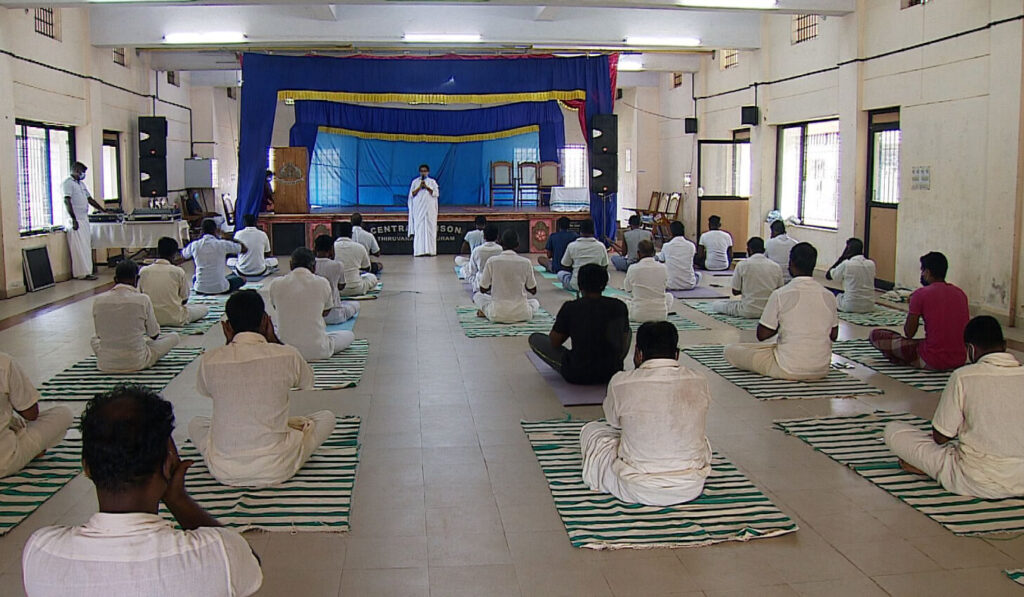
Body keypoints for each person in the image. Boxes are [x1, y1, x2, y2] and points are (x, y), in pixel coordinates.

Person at [22, 386, 263, 596]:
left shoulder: (41, 549)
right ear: (168, 465)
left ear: (87, 466)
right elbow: (250, 566)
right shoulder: (219, 553)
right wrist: (178, 500)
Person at [189, 291, 336, 489]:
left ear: (227, 326)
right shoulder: (287, 354)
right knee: (327, 417)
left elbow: (207, 391)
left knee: (196, 423)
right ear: (266, 320)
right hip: (277, 466)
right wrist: (274, 341)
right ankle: (288, 427)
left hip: (224, 469)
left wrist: (227, 348)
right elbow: (306, 382)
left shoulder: (210, 359)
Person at [884, 316, 1024, 499]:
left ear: (971, 349)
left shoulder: (963, 377)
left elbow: (941, 437)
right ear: (1004, 345)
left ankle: (928, 467)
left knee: (894, 431)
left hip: (976, 480)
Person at [580, 322, 711, 506]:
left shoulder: (621, 382)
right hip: (691, 486)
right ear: (677, 354)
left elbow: (613, 423)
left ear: (638, 354)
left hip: (637, 489)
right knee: (701, 439)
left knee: (591, 431)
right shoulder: (699, 379)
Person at [724, 242, 838, 381]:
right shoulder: (828, 295)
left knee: (731, 350)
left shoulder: (781, 294)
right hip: (821, 368)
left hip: (787, 367)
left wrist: (782, 322)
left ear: (791, 263)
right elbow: (833, 335)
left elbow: (762, 334)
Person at [529, 264, 631, 385]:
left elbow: (554, 342)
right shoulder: (619, 306)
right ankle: (613, 361)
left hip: (578, 373)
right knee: (627, 330)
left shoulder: (571, 307)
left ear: (580, 284)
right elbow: (623, 342)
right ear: (605, 283)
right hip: (612, 372)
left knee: (535, 339)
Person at [869, 252, 969, 371]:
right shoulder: (960, 294)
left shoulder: (920, 294)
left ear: (927, 272)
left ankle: (907, 359)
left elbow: (909, 332)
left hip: (932, 360)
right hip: (959, 359)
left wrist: (915, 307)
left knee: (876, 335)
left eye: (922, 271)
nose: (921, 275)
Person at [265, 248, 354, 361]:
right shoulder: (322, 282)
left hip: (286, 350)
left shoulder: (275, 284)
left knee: (277, 328)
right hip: (317, 351)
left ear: (291, 265)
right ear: (314, 266)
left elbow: (276, 307)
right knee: (349, 335)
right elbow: (326, 312)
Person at [91, 261, 180, 373]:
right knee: (174, 337)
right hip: (137, 361)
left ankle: (111, 356)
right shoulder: (143, 300)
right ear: (137, 279)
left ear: (115, 279)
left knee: (93, 338)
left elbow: (99, 335)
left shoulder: (98, 300)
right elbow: (154, 334)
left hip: (106, 364)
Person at [0, 353, 72, 479]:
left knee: (12, 421)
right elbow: (31, 414)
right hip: (5, 459)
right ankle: (31, 451)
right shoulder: (5, 363)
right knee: (63, 414)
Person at [139, 237, 210, 327]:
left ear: (158, 251)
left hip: (150, 319)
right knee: (204, 309)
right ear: (174, 254)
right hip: (176, 318)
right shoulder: (178, 271)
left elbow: (140, 296)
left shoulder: (144, 271)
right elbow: (185, 299)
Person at [473, 229, 540, 323]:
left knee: (477, 296)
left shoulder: (492, 261)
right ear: (518, 245)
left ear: (500, 243)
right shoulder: (526, 262)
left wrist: (497, 284)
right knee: (535, 302)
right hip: (522, 314)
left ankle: (485, 311)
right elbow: (533, 290)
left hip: (496, 314)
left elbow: (483, 289)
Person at [711, 237, 783, 319]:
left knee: (716, 305)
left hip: (747, 310)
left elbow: (735, 291)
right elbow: (779, 290)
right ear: (764, 250)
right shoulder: (776, 266)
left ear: (749, 250)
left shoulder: (742, 265)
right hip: (769, 311)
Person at [63, 161, 107, 281]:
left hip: (84, 219)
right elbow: (67, 201)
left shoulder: (81, 184)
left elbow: (89, 199)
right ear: (76, 170)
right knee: (79, 248)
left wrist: (102, 210)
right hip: (75, 220)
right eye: (82, 172)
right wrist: (73, 219)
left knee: (85, 246)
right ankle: (81, 273)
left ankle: (88, 271)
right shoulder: (68, 184)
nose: (83, 174)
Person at [182, 219, 247, 295]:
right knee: (242, 279)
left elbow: (184, 255)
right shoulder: (222, 244)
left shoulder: (195, 245)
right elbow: (244, 249)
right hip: (221, 288)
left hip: (200, 288)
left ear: (201, 230)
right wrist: (228, 237)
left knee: (195, 277)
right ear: (216, 230)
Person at [623, 240, 675, 322]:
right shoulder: (663, 268)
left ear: (638, 253)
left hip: (638, 314)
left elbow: (627, 289)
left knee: (619, 298)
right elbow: (666, 285)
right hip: (661, 315)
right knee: (669, 296)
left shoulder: (633, 268)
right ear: (654, 253)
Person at [313, 235, 360, 325]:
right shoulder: (337, 265)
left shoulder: (310, 264)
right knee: (355, 305)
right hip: (335, 315)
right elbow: (341, 286)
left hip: (315, 316)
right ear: (331, 249)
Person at [826, 238, 876, 313]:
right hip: (869, 306)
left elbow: (828, 276)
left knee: (827, 291)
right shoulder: (871, 264)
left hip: (849, 306)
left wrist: (842, 257)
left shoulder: (846, 264)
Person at [559, 218, 610, 292]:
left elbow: (565, 265)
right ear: (594, 231)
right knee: (608, 275)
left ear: (580, 231)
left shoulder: (572, 245)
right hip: (596, 284)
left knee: (560, 274)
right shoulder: (601, 246)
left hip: (577, 284)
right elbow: (604, 266)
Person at [333, 222, 379, 297]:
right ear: (351, 234)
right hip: (357, 288)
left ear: (337, 233)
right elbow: (367, 268)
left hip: (337, 290)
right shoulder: (359, 247)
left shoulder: (333, 247)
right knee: (372, 277)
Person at [657, 221, 700, 291]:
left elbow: (661, 260)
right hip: (689, 284)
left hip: (670, 284)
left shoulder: (667, 246)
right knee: (698, 275)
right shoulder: (691, 245)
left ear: (670, 232)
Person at [408, 164, 439, 256]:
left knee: (430, 228)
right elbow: (411, 194)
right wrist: (419, 187)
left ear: (428, 172)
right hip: (419, 210)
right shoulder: (415, 182)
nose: (423, 173)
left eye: (425, 171)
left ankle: (431, 251)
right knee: (419, 228)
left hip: (429, 210)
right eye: (422, 171)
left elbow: (435, 193)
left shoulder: (432, 182)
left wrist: (426, 187)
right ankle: (419, 251)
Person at [465, 224, 504, 292]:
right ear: (497, 237)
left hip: (481, 282)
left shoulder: (477, 250)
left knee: (464, 269)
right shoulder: (501, 250)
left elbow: (472, 271)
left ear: (483, 236)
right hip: (498, 283)